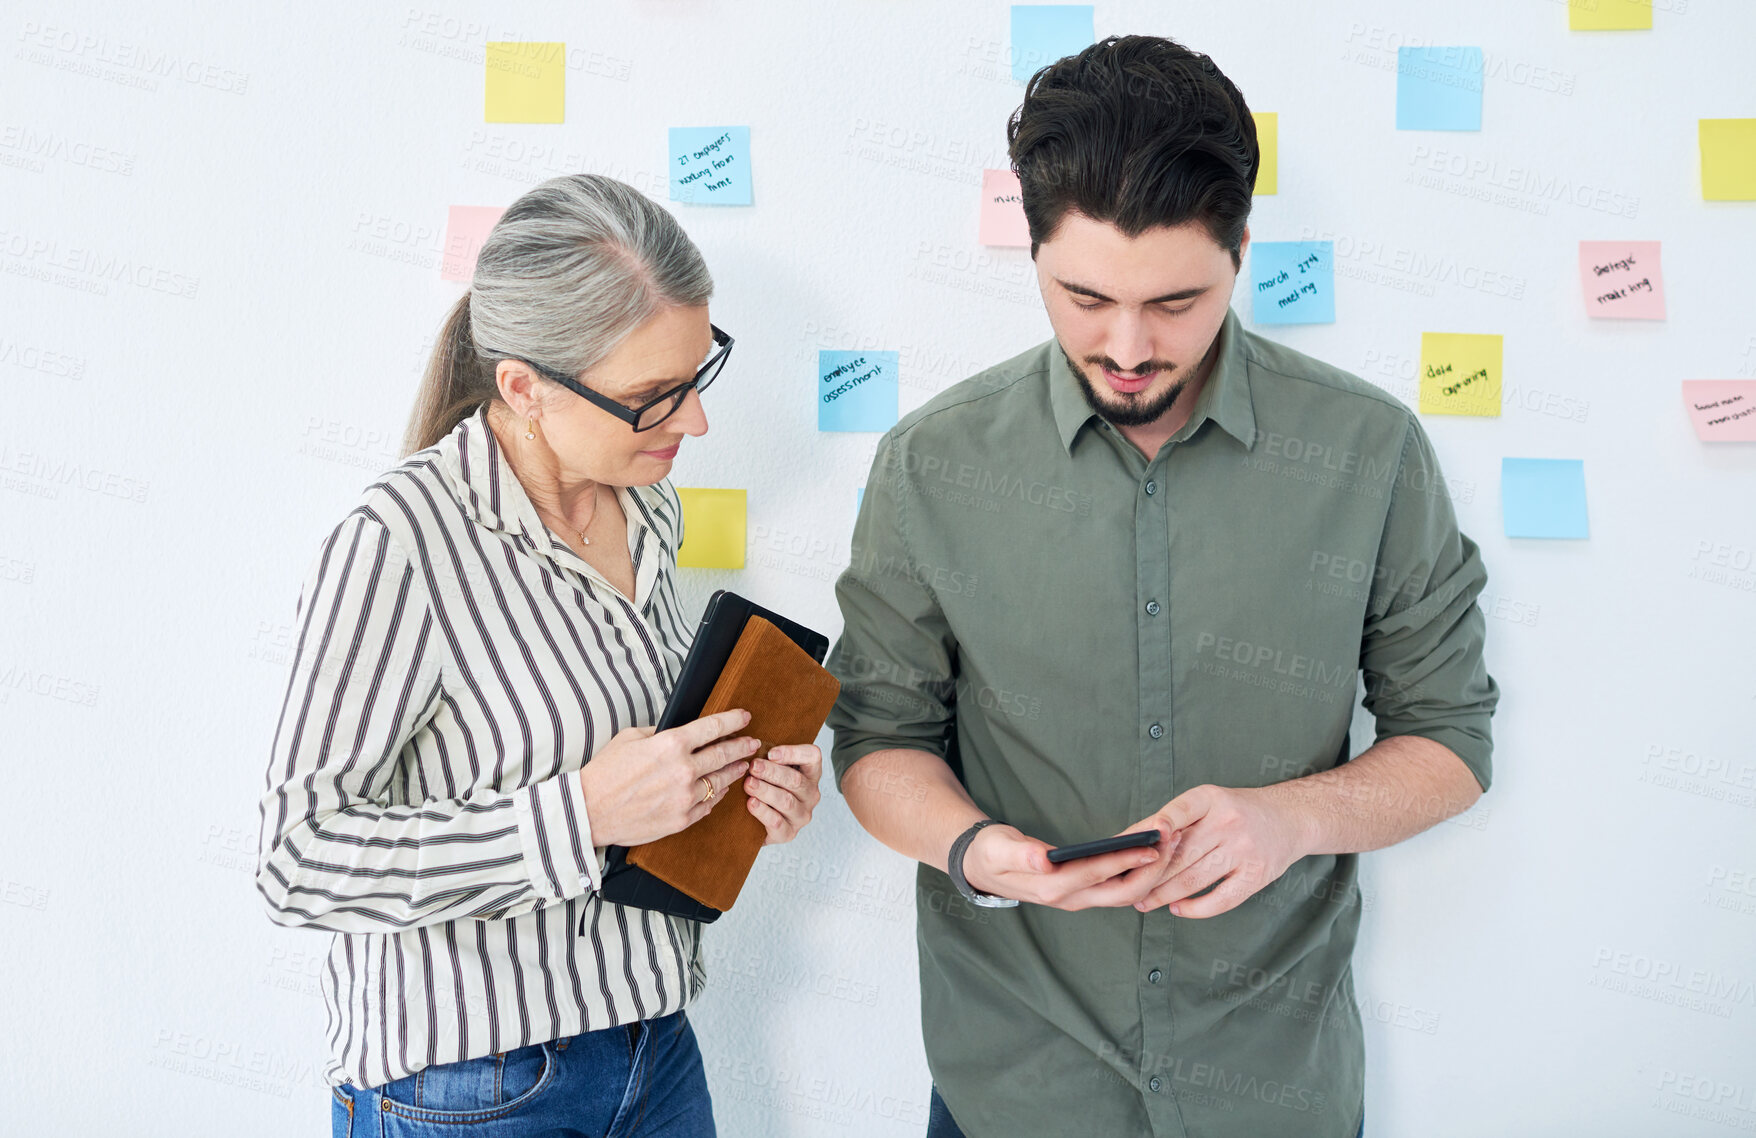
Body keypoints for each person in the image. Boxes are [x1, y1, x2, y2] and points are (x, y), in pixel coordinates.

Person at [824, 35, 1497, 1138]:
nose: (1127, 345)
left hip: (1272, 1089)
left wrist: (1289, 819)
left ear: (1239, 249)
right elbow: (878, 741)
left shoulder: (1368, 451)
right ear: (1030, 247)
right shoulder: (928, 464)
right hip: (1014, 1089)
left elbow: (1451, 741)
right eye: (1083, 296)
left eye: (1177, 302)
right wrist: (978, 851)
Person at [255, 174, 824, 1136]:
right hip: (467, 1090)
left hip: (656, 1045)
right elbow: (297, 861)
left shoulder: (648, 504)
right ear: (522, 388)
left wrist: (741, 790)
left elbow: (624, 749)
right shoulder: (398, 542)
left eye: (699, 374)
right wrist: (582, 813)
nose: (696, 423)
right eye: (655, 396)